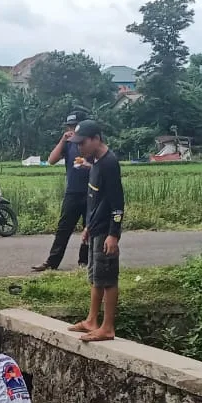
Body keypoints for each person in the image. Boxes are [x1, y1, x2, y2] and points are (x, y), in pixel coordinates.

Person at [66, 120, 124, 342]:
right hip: (96, 227)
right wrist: (89, 226)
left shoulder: (109, 163)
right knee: (95, 276)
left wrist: (114, 234)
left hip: (106, 230)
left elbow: (117, 203)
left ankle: (107, 327)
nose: (79, 147)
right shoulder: (96, 162)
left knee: (107, 279)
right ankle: (92, 320)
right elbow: (96, 199)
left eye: (82, 143)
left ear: (96, 139)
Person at [32, 113, 91, 272]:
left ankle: (84, 262)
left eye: (75, 126)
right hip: (72, 192)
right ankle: (52, 262)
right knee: (63, 229)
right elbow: (51, 160)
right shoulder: (68, 144)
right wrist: (62, 140)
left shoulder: (91, 143)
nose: (72, 129)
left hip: (91, 191)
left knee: (89, 228)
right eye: (69, 126)